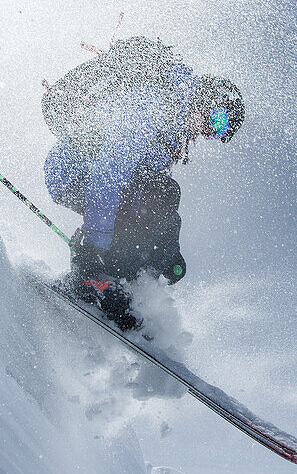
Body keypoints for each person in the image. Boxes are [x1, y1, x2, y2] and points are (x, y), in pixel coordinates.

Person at [43, 45, 244, 331]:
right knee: (161, 196)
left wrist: (166, 256)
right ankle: (92, 279)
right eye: (217, 120)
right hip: (74, 169)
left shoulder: (175, 129)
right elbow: (109, 173)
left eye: (220, 132)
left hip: (101, 177)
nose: (210, 132)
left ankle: (128, 291)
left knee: (163, 205)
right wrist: (93, 249)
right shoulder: (155, 104)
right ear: (207, 97)